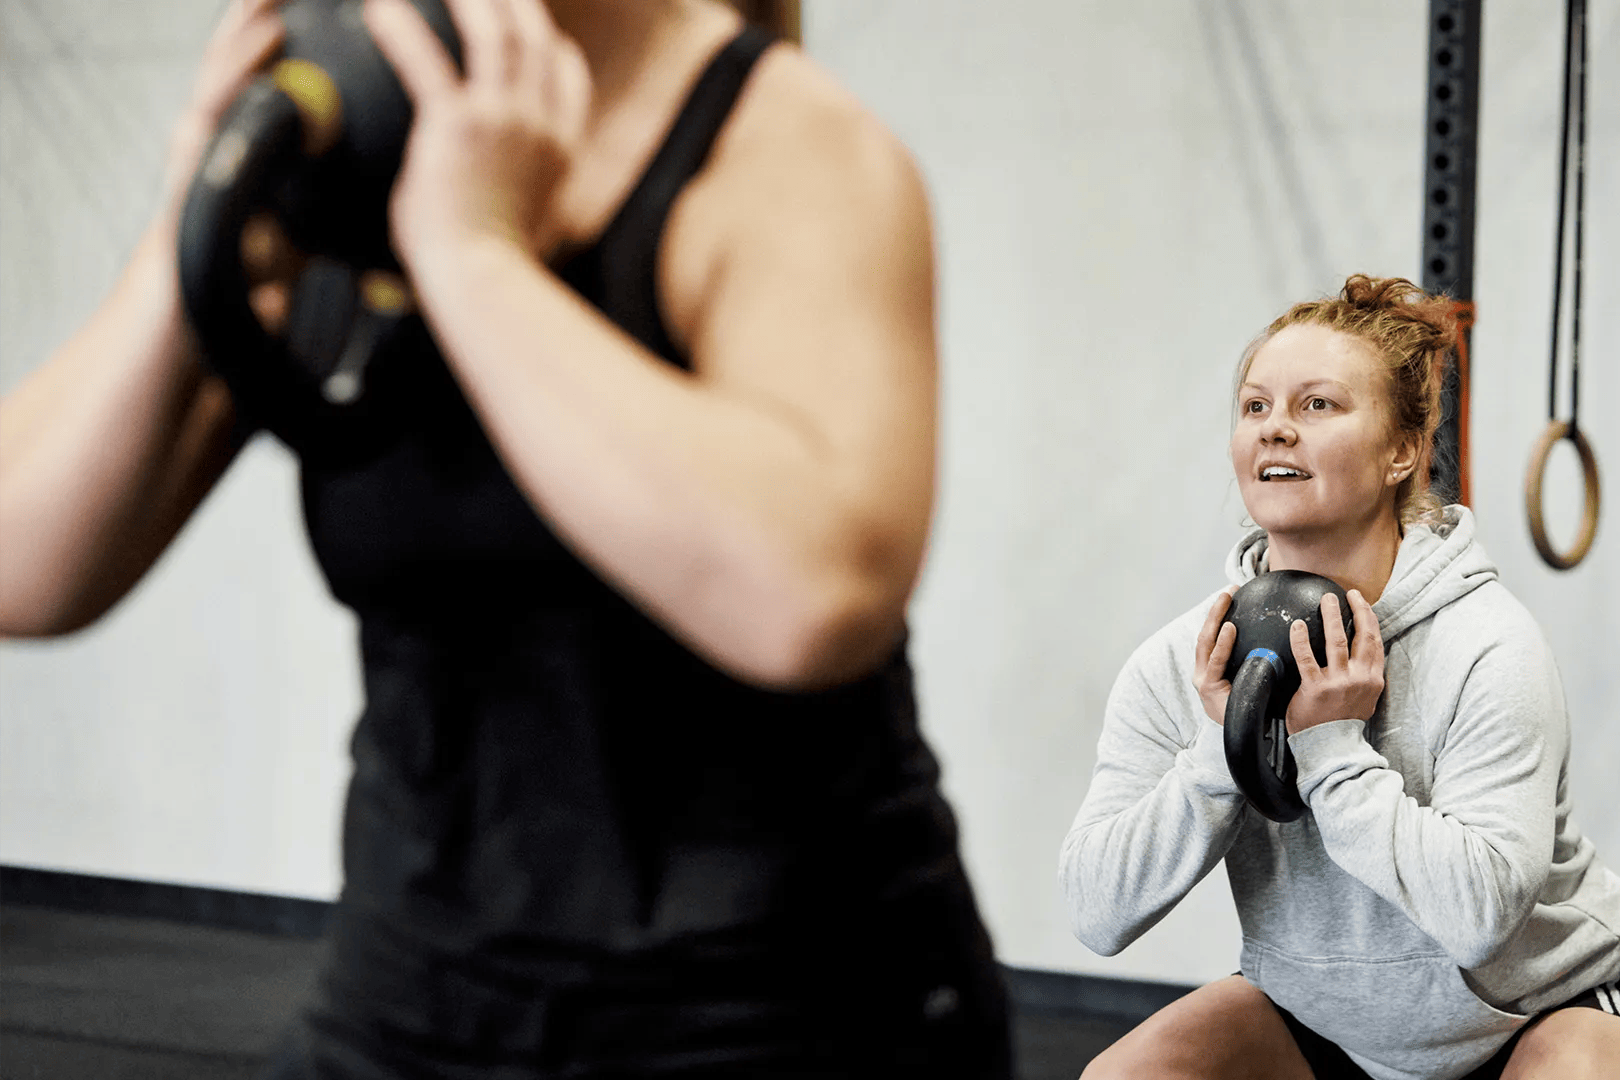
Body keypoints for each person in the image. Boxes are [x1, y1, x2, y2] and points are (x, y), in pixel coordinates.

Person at [0, 0, 1012, 1075]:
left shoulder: (785, 150)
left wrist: (473, 258)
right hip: (416, 990)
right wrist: (192, 226)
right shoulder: (351, 133)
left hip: (773, 1011)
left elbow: (813, 597)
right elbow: (22, 566)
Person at [1059, 275, 1620, 1080]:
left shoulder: (1486, 645)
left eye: (1317, 405)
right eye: (1255, 406)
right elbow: (1095, 911)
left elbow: (1480, 918)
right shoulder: (1184, 660)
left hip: (1535, 1007)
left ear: (1401, 452)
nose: (1275, 428)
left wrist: (1333, 748)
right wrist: (1223, 745)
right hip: (1324, 1019)